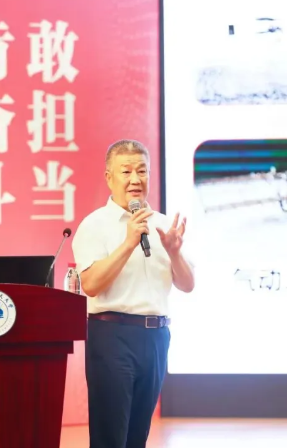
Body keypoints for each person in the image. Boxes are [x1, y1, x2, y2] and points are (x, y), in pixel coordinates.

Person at [71, 139, 195, 448]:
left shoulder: (164, 226)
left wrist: (174, 253)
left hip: (156, 338)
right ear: (109, 177)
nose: (135, 179)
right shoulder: (94, 225)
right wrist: (128, 243)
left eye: (142, 171)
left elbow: (187, 284)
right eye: (126, 171)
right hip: (112, 336)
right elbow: (91, 284)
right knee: (111, 437)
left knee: (137, 436)